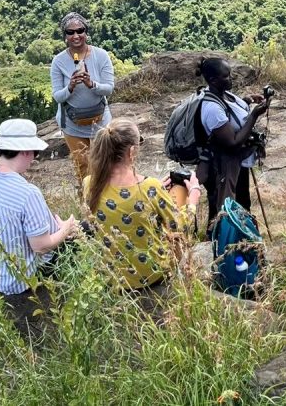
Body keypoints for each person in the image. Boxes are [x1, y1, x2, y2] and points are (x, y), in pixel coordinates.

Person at [0, 118, 79, 335]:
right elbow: (41, 247)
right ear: (26, 152)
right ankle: (70, 306)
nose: (34, 159)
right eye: (35, 153)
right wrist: (66, 229)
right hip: (18, 279)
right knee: (80, 233)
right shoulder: (27, 193)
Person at [83, 118, 202, 291]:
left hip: (112, 274)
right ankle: (183, 277)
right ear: (131, 151)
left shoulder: (89, 184)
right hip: (151, 274)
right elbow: (181, 226)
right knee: (179, 200)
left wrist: (156, 191)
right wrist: (194, 197)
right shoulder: (148, 187)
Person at [196, 57, 270, 233]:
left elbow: (230, 110)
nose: (231, 78)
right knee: (224, 206)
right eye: (226, 76)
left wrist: (247, 100)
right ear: (213, 80)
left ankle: (240, 239)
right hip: (221, 164)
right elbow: (233, 143)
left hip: (234, 162)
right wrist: (253, 116)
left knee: (241, 201)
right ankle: (224, 242)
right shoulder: (211, 109)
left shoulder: (222, 94)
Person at [50, 12, 115, 185]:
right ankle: (86, 206)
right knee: (82, 167)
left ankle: (105, 203)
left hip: (100, 121)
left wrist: (91, 84)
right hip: (72, 124)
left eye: (80, 30)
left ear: (86, 32)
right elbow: (57, 96)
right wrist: (70, 86)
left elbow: (108, 89)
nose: (76, 35)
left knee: (103, 164)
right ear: (64, 36)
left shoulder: (101, 56)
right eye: (70, 32)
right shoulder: (59, 61)